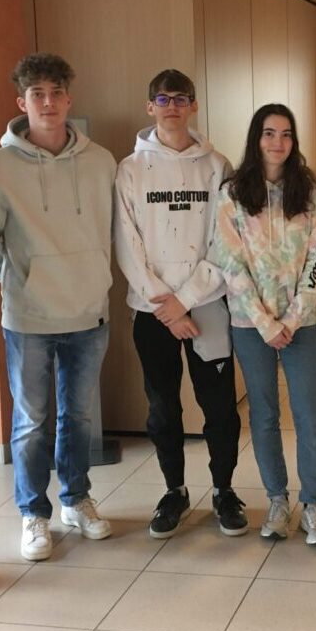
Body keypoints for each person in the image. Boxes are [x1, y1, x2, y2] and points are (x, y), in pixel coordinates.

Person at [0, 53, 115, 562]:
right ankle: (33, 513)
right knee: (32, 421)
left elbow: (112, 230)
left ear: (69, 99)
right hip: (29, 317)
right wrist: (24, 282)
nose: (49, 103)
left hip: (89, 313)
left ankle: (76, 500)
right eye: (38, 94)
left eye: (56, 93)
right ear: (22, 102)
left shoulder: (101, 162)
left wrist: (92, 278)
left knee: (77, 416)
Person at [115, 69, 246, 539]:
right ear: (150, 106)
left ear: (193, 105)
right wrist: (165, 305)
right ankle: (174, 491)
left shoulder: (217, 166)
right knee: (163, 408)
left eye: (180, 98)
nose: (171, 106)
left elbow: (226, 241)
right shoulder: (130, 169)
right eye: (162, 99)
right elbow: (127, 242)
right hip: (152, 310)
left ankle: (225, 491)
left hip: (207, 304)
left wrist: (186, 300)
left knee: (220, 407)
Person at [212, 104, 316, 545]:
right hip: (251, 324)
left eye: (285, 134)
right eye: (269, 133)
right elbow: (230, 262)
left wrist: (294, 318)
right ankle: (277, 501)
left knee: (309, 414)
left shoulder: (312, 193)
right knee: (263, 415)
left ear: (294, 141)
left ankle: (313, 504)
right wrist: (265, 323)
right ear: (256, 139)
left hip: (302, 324)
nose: (277, 142)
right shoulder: (232, 194)